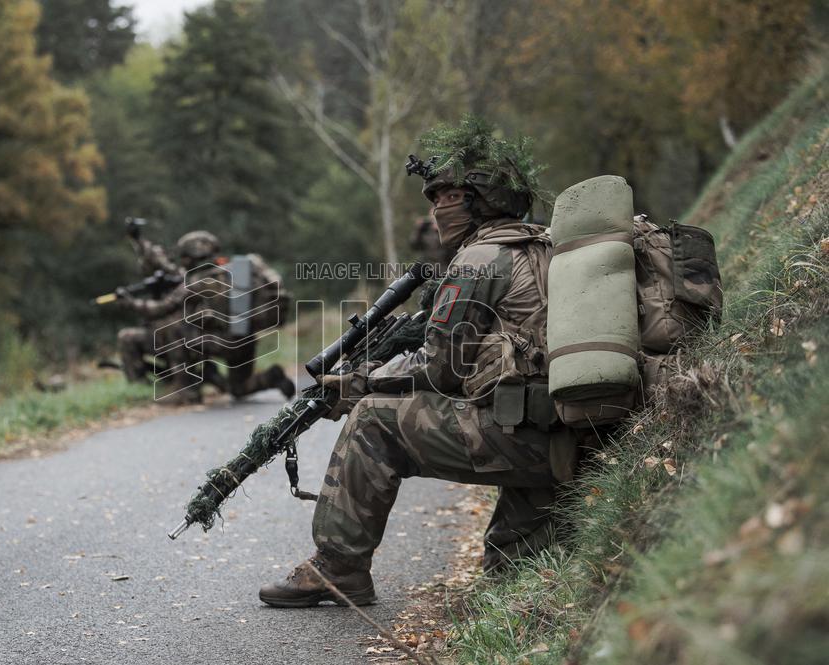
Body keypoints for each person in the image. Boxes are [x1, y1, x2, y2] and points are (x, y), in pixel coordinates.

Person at [259, 123, 577, 607]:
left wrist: (360, 385)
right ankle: (528, 557)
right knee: (510, 572)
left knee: (374, 421)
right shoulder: (549, 248)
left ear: (479, 201)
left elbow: (439, 369)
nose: (435, 209)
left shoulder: (479, 260)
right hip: (577, 439)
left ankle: (339, 568)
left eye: (446, 197)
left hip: (532, 440)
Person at [120, 230, 296, 405]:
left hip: (217, 343)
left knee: (178, 329)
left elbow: (160, 309)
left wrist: (130, 303)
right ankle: (271, 377)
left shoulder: (197, 282)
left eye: (185, 257)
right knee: (239, 388)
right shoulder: (239, 272)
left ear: (192, 256)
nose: (183, 262)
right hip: (246, 340)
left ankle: (187, 391)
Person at [116, 219, 186, 383]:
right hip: (176, 339)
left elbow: (161, 308)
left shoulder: (182, 279)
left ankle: (146, 383)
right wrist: (137, 240)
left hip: (176, 338)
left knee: (128, 337)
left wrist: (131, 303)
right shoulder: (191, 276)